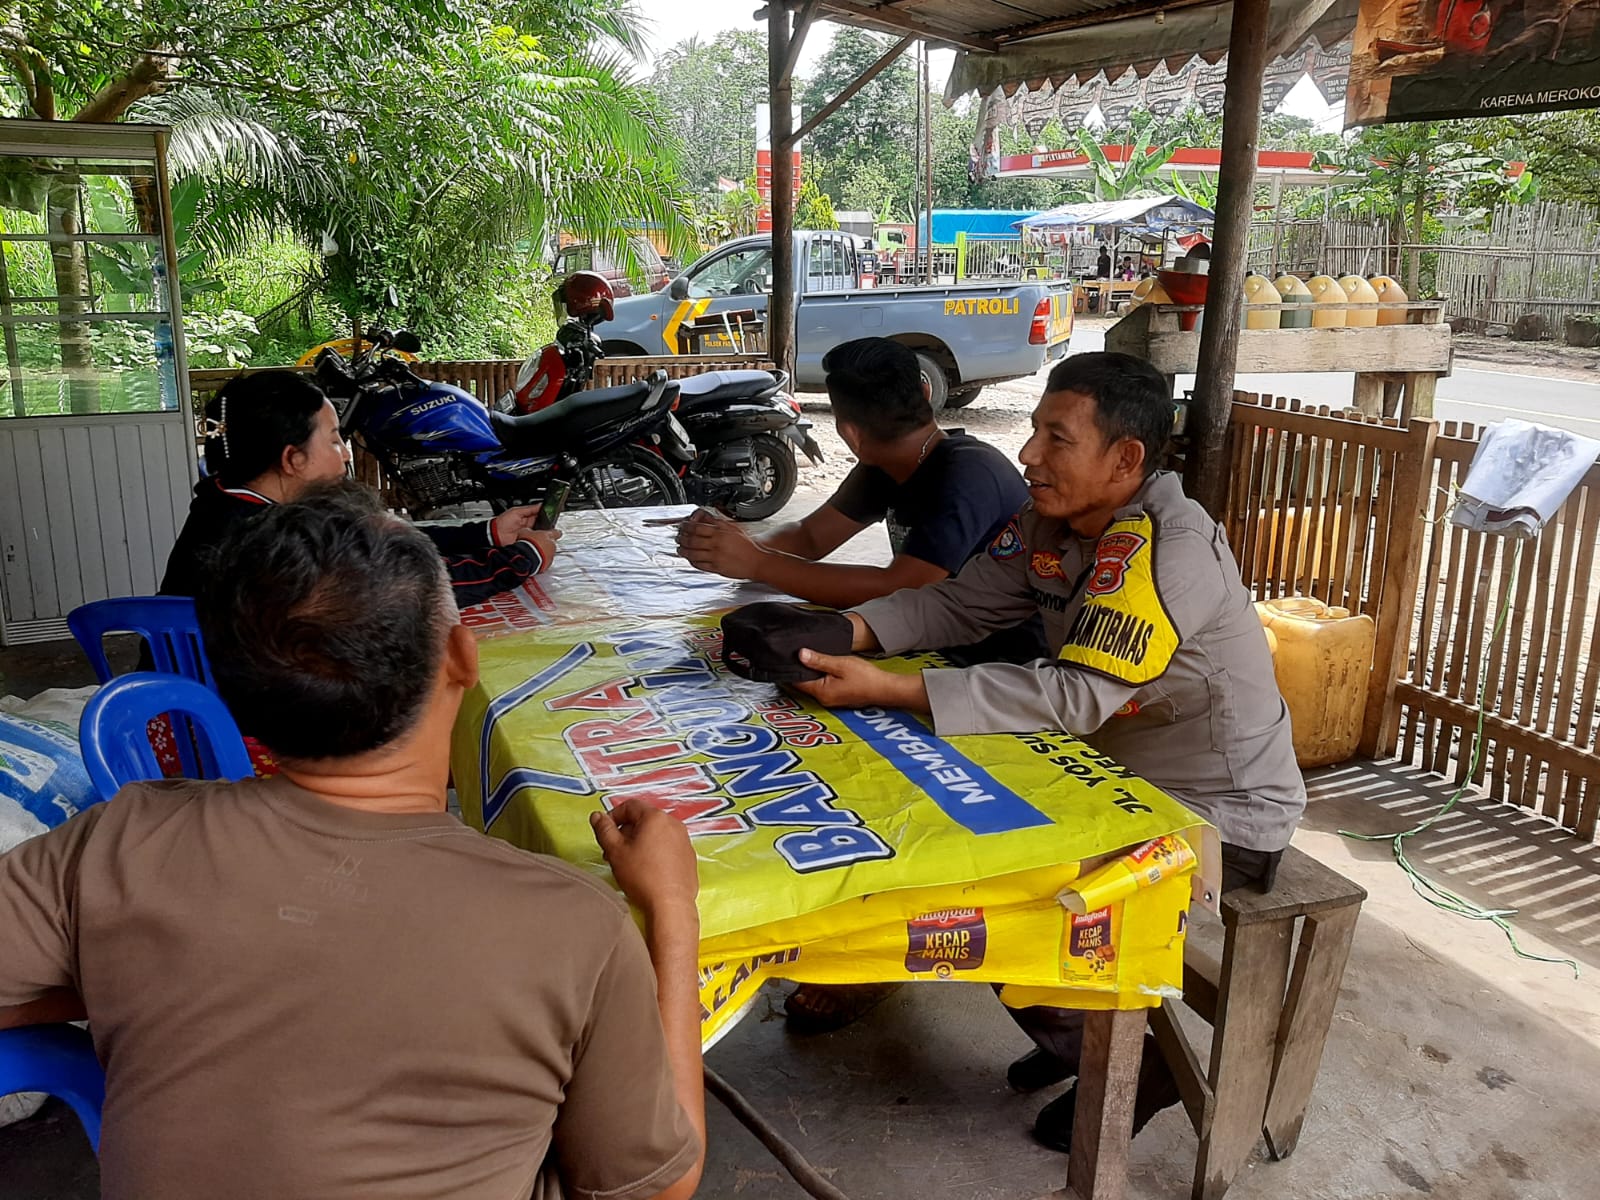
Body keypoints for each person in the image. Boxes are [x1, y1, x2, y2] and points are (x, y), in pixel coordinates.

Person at [0, 482, 705, 1200]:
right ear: (463, 656)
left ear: (235, 692)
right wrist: (674, 911)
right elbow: (660, 1186)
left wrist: (134, 971)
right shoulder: (576, 924)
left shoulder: (120, 840)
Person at [786, 351, 1306, 1151]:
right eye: (1033, 432)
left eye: (1056, 439)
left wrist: (888, 686)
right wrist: (843, 634)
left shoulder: (1163, 551)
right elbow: (959, 605)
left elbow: (1073, 696)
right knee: (941, 835)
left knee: (992, 889)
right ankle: (1074, 1030)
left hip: (1216, 817)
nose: (1028, 455)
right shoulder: (1049, 522)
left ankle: (1135, 1060)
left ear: (1125, 458)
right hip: (1103, 774)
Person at [162, 369, 557, 606]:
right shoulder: (272, 543)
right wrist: (521, 559)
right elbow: (405, 586)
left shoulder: (230, 503)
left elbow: (380, 542)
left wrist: (486, 533)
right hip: (225, 733)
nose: (346, 456)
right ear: (292, 459)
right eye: (334, 440)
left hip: (189, 713)